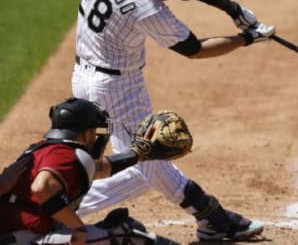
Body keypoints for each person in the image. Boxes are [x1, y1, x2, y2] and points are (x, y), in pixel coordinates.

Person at [71, 0, 274, 242]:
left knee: (127, 167)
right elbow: (195, 49)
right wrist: (247, 39)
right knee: (147, 158)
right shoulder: (146, 7)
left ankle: (53, 208)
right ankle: (210, 216)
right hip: (116, 89)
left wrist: (232, 9)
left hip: (86, 75)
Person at [0, 97, 178, 245]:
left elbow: (98, 168)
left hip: (17, 235)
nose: (96, 137)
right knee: (125, 233)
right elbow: (42, 187)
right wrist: (77, 227)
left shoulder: (44, 149)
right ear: (85, 134)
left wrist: (136, 154)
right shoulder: (65, 154)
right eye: (94, 131)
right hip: (25, 238)